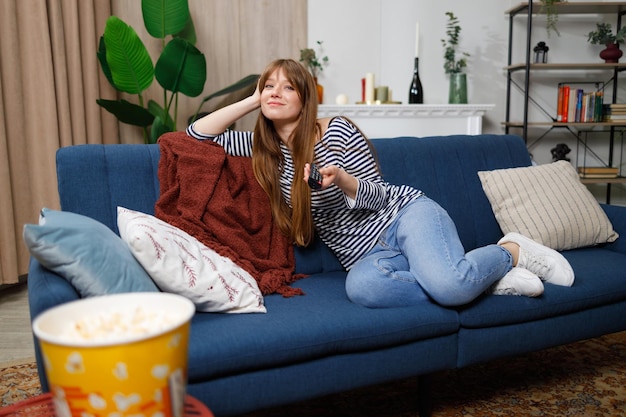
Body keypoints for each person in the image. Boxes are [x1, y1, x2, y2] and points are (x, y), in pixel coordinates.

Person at [186, 58, 574, 308]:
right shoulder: (261, 150)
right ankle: (481, 281)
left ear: (305, 99)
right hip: (368, 258)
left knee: (451, 288)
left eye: (287, 87)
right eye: (269, 86)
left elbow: (378, 194)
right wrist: (251, 101)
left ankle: (511, 251)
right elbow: (195, 136)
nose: (276, 92)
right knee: (364, 290)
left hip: (404, 217)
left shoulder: (335, 130)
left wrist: (341, 181)